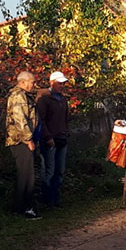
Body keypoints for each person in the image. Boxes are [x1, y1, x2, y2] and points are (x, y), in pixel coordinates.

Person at [5, 70, 41, 219]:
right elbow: (20, 120)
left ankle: (19, 207)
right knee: (27, 176)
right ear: (23, 82)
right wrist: (28, 139)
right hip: (20, 141)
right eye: (32, 82)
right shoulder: (19, 96)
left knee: (25, 174)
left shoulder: (23, 95)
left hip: (20, 140)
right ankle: (25, 208)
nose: (34, 85)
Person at [36, 70, 71, 208]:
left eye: (63, 83)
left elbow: (65, 118)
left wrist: (66, 132)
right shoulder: (44, 99)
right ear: (52, 83)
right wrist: (48, 137)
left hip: (62, 138)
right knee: (49, 171)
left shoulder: (63, 99)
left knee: (60, 170)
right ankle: (47, 199)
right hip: (50, 140)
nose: (62, 86)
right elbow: (41, 119)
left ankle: (56, 198)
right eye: (59, 83)